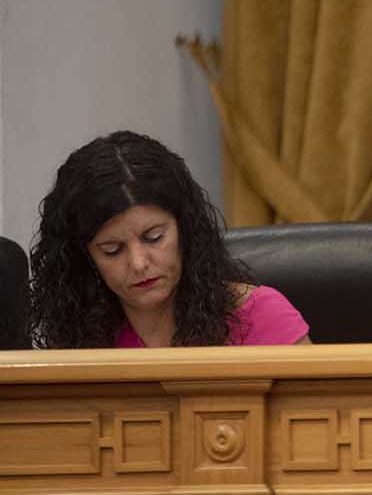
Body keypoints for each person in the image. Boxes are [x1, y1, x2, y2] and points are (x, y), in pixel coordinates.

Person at [29, 130, 310, 348]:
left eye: (153, 238)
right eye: (112, 250)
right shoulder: (81, 337)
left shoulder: (260, 316)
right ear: (85, 256)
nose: (138, 263)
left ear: (184, 228)